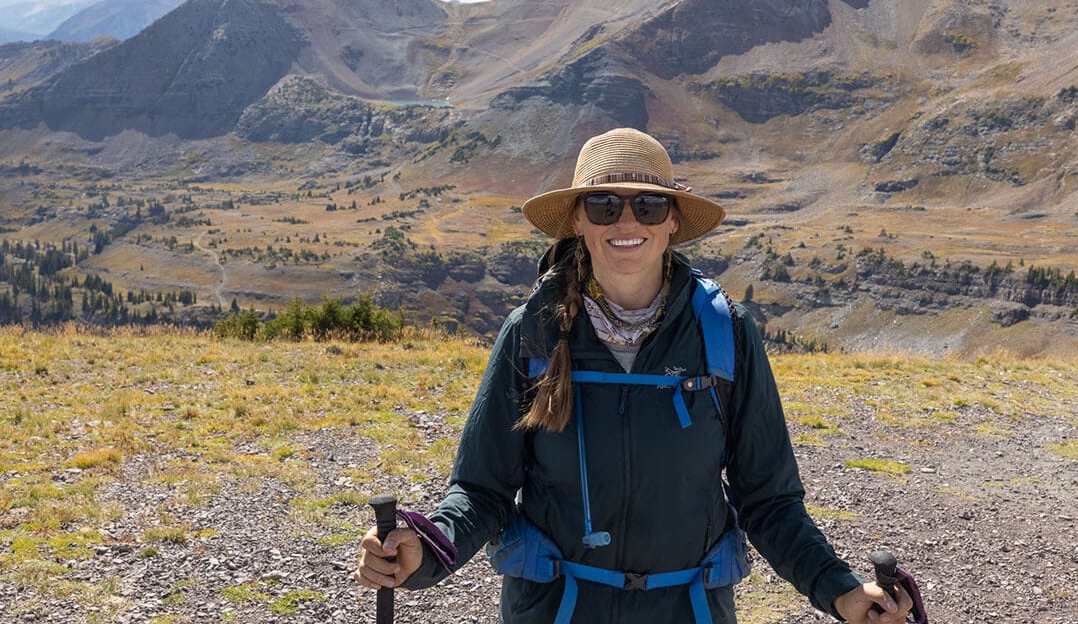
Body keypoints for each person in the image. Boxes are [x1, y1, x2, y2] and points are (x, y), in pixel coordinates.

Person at [356, 128, 913, 623]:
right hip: (555, 607)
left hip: (688, 607)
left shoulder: (725, 334)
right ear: (578, 220)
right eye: (603, 205)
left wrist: (840, 592)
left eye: (648, 206)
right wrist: (427, 551)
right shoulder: (533, 332)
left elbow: (768, 500)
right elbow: (483, 490)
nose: (627, 222)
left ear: (672, 221)